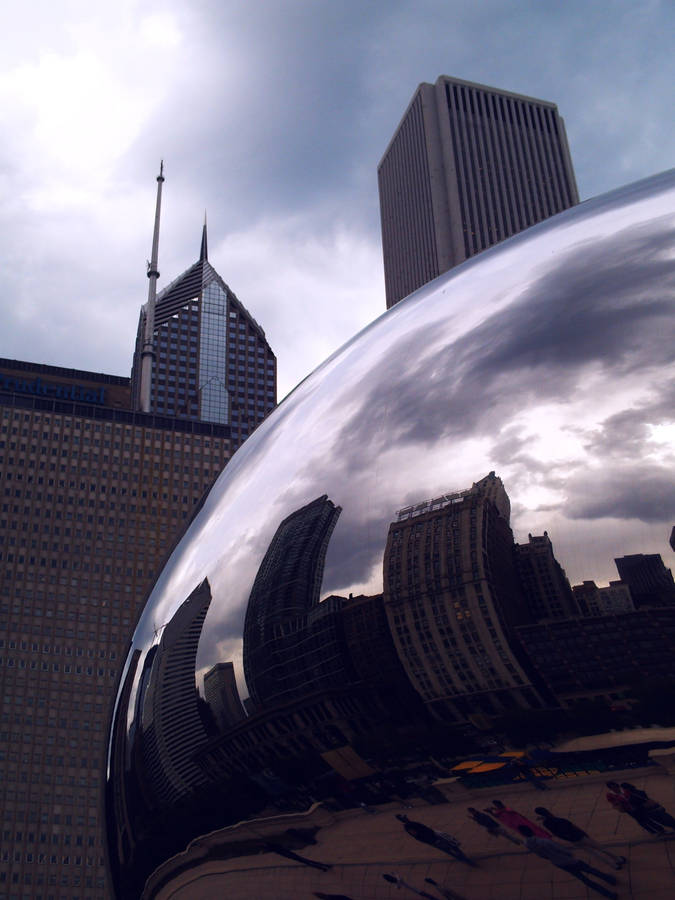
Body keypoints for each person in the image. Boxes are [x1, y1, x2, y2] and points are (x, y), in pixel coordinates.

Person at [518, 825, 618, 899]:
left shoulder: (527, 844)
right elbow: (561, 849)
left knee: (583, 878)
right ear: (532, 831)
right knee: (590, 870)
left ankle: (607, 894)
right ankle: (610, 880)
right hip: (569, 860)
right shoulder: (544, 841)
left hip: (558, 863)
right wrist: (570, 854)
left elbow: (540, 855)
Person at [534, 806, 626, 869]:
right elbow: (574, 826)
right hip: (579, 836)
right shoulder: (559, 820)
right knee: (600, 848)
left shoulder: (546, 823)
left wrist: (567, 839)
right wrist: (584, 833)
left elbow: (556, 833)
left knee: (594, 853)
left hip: (573, 840)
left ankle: (614, 866)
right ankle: (618, 859)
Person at [395, 814, 477, 866]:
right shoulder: (408, 826)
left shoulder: (410, 824)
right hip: (432, 839)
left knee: (451, 846)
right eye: (404, 818)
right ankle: (464, 859)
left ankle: (464, 858)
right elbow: (417, 835)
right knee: (448, 848)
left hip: (433, 836)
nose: (407, 818)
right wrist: (431, 838)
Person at [484, 799, 551, 838]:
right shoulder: (500, 810)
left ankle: (543, 836)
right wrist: (491, 811)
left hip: (519, 822)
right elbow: (497, 815)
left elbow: (508, 812)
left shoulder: (505, 809)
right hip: (514, 824)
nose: (496, 806)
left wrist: (493, 810)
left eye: (496, 805)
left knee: (532, 828)